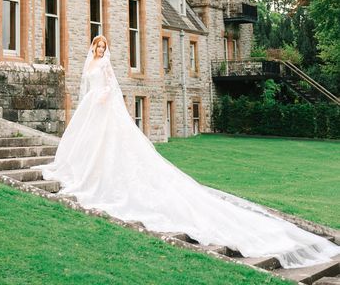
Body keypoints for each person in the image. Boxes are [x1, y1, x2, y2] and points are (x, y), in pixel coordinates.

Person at [39, 35, 339, 269]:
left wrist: (104, 95)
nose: (101, 50)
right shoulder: (88, 64)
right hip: (91, 108)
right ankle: (87, 171)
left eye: (104, 47)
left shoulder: (105, 65)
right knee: (87, 143)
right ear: (93, 47)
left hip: (104, 107)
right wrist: (94, 97)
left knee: (111, 145)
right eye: (98, 46)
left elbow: (110, 87)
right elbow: (86, 87)